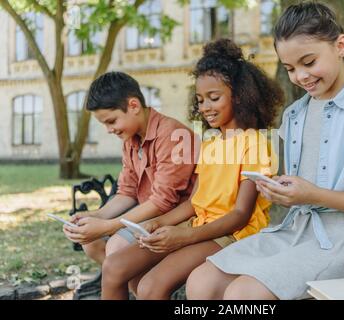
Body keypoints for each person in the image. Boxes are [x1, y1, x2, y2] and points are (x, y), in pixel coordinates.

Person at [186, 2, 344, 300]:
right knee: (201, 281)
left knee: (244, 293)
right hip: (295, 232)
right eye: (290, 68)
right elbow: (298, 192)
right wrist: (279, 190)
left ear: (341, 45)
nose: (301, 76)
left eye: (309, 62)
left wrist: (313, 195)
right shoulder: (294, 114)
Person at [100, 38, 285, 299]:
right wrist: (157, 223)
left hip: (232, 234)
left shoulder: (254, 144)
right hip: (197, 224)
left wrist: (185, 237)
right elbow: (194, 203)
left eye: (214, 97)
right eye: (200, 100)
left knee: (150, 287)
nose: (205, 107)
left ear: (240, 96)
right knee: (115, 266)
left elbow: (241, 215)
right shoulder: (210, 143)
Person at [63, 71, 196, 264]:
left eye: (111, 121)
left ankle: (135, 286)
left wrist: (107, 226)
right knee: (91, 242)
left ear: (133, 105)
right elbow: (127, 191)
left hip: (176, 217)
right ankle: (131, 288)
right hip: (149, 213)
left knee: (117, 246)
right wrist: (95, 216)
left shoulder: (172, 135)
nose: (109, 130)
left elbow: (163, 202)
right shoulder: (130, 139)